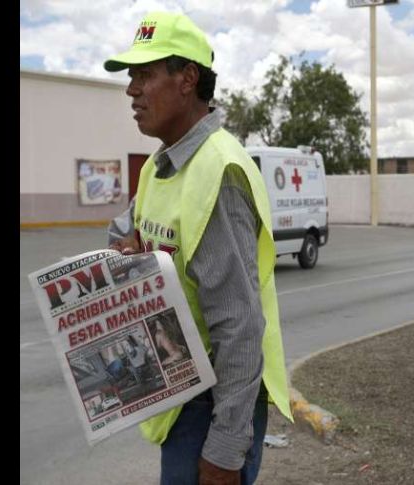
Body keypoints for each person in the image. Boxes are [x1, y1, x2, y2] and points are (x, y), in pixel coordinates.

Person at [104, 12, 292, 485]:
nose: (132, 90)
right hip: (181, 391)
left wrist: (225, 451)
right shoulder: (161, 164)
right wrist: (128, 252)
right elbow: (124, 234)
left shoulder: (218, 171)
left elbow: (240, 327)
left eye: (144, 75)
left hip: (212, 406)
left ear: (187, 78)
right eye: (131, 77)